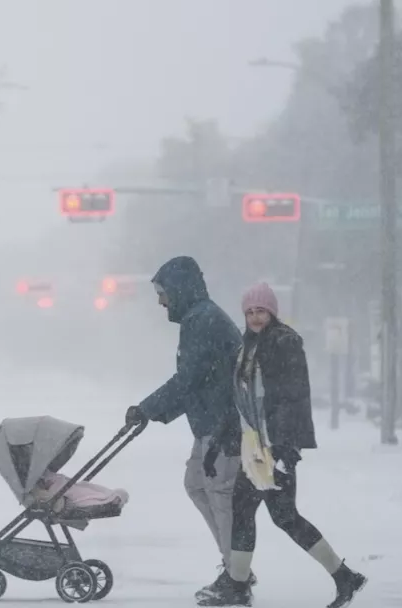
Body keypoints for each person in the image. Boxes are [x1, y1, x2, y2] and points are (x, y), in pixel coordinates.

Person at [196, 282, 367, 608]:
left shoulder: (284, 343)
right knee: (256, 513)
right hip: (255, 448)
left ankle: (241, 586)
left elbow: (293, 397)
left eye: (261, 311)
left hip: (275, 448)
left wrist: (286, 449)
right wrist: (218, 445)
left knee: (280, 516)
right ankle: (241, 585)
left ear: (271, 312)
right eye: (249, 312)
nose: (255, 317)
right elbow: (240, 403)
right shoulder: (248, 349)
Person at [124, 256, 250, 600]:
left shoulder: (203, 321)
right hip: (212, 422)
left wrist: (147, 408)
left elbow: (189, 379)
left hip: (224, 424)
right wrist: (150, 413)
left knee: (220, 493)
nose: (161, 301)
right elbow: (195, 382)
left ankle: (236, 578)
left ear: (179, 290)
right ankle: (234, 568)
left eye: (163, 293)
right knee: (196, 484)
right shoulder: (199, 318)